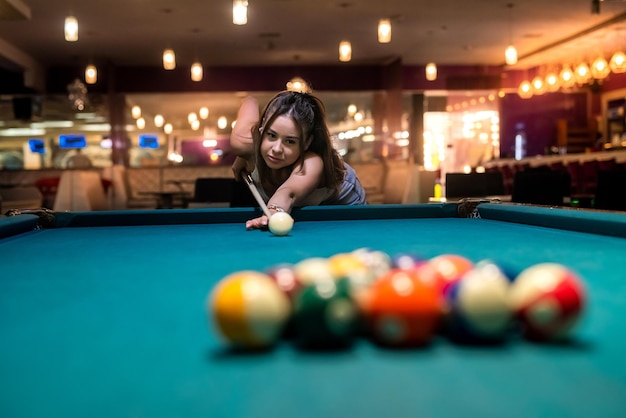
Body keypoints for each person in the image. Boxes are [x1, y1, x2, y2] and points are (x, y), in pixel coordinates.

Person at [230, 90, 366, 230]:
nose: (277, 149)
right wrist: (244, 155)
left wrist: (273, 212)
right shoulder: (243, 141)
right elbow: (249, 100)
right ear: (262, 126)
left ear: (307, 142)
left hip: (341, 200)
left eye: (290, 141)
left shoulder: (312, 162)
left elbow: (288, 193)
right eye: (271, 135)